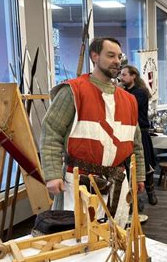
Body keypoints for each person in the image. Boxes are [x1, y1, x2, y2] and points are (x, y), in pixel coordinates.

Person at [40, 37, 146, 227]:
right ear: (94, 56)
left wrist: (139, 175)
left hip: (117, 181)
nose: (117, 61)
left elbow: (135, 143)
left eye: (119, 56)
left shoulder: (129, 100)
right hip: (79, 181)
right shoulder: (73, 91)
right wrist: (53, 174)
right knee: (77, 238)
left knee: (115, 235)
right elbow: (51, 133)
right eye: (110, 55)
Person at [120, 65, 157, 206]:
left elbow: (129, 104)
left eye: (124, 75)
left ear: (133, 76)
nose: (121, 78)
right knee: (131, 166)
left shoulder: (139, 93)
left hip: (140, 132)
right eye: (121, 75)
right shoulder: (125, 92)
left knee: (146, 165)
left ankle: (150, 192)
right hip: (128, 133)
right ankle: (136, 198)